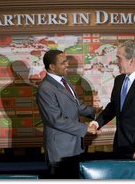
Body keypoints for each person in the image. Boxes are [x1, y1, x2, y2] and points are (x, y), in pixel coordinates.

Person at [36, 50, 99, 179]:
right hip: (60, 150)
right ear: (51, 67)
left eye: (67, 61)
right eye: (63, 62)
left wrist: (94, 112)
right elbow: (56, 120)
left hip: (75, 145)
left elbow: (76, 105)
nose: (67, 64)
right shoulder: (45, 88)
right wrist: (85, 128)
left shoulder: (64, 80)